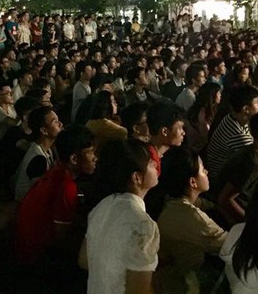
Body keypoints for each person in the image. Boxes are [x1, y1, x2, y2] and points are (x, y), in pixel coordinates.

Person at [79, 139, 160, 294]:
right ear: (137, 178)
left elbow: (84, 260)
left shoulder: (102, 206)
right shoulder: (143, 226)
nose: (156, 165)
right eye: (150, 163)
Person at [15, 124, 97, 264]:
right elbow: (63, 238)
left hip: (24, 247)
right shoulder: (65, 186)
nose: (95, 158)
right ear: (74, 159)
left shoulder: (56, 171)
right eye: (91, 152)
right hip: (36, 258)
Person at [156, 147, 227, 294]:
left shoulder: (170, 201)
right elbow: (229, 244)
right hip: (185, 284)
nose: (207, 172)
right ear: (193, 182)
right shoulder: (194, 219)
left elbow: (205, 204)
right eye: (202, 170)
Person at [206, 85, 258, 182]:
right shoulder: (239, 136)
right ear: (246, 109)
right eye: (256, 103)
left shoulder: (232, 117)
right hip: (220, 179)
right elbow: (256, 158)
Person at [14, 105, 63, 201]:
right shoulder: (38, 158)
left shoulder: (47, 149)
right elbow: (40, 194)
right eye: (55, 122)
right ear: (44, 130)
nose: (60, 124)